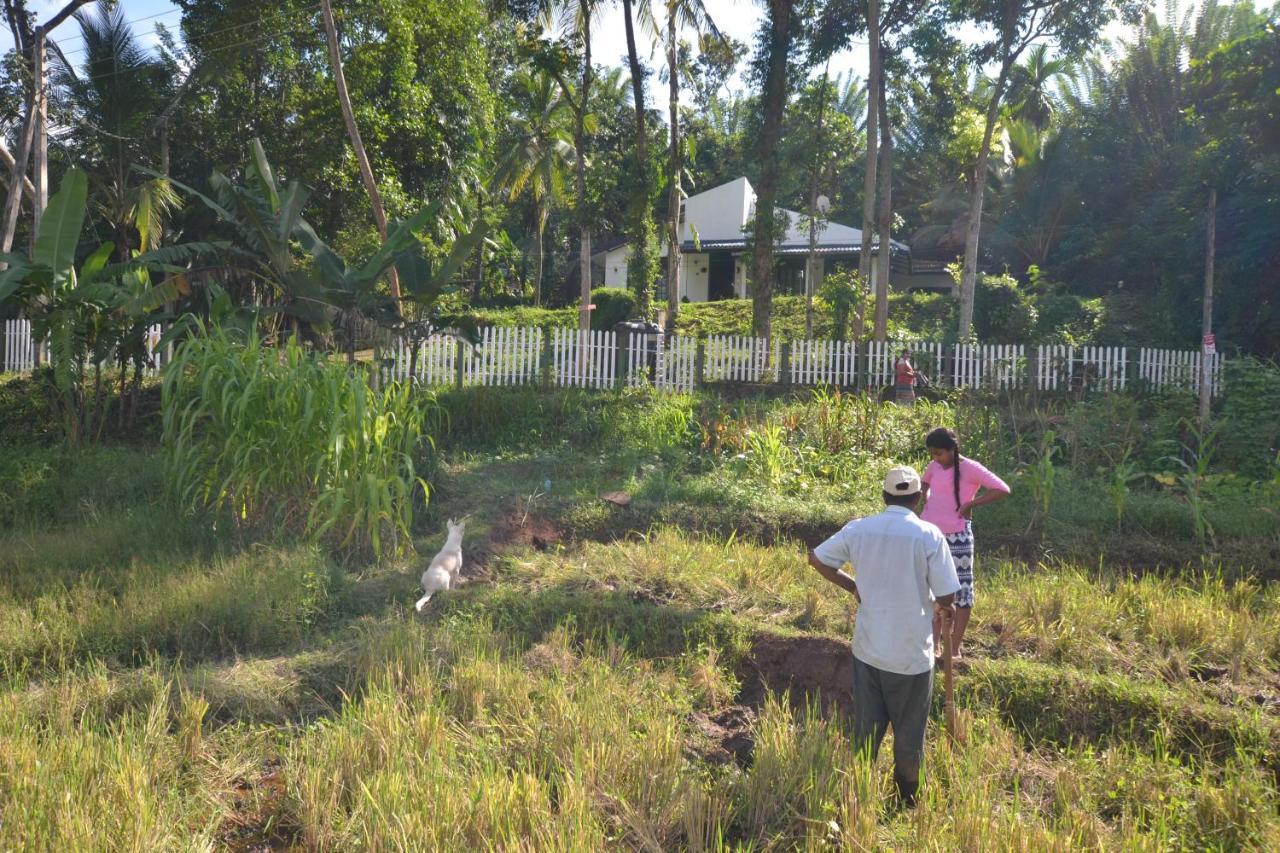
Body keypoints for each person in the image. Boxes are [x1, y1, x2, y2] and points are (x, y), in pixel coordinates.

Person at [808, 465, 960, 807]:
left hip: (869, 650)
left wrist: (854, 587)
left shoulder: (860, 529)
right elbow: (948, 594)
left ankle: (858, 795)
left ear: (884, 497)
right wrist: (939, 605)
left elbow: (816, 559)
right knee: (909, 735)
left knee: (866, 728)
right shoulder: (928, 536)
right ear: (919, 499)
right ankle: (907, 800)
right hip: (910, 658)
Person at [920, 427, 1010, 662]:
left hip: (957, 536)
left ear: (952, 449)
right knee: (933, 588)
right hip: (929, 533)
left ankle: (955, 647)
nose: (935, 458)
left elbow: (1001, 489)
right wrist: (925, 503)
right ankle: (934, 645)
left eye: (939, 453)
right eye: (932, 453)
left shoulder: (970, 468)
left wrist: (971, 505)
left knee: (961, 590)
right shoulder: (934, 466)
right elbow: (923, 486)